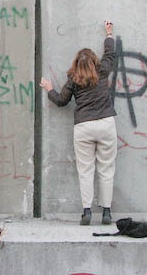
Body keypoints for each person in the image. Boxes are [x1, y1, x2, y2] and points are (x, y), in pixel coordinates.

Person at [40, 21, 117, 225]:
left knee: (86, 170)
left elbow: (61, 101)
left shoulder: (73, 78)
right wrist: (109, 34)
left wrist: (49, 88)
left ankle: (87, 212)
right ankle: (107, 212)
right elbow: (110, 55)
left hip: (84, 127)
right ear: (94, 62)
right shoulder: (102, 71)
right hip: (106, 124)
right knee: (106, 169)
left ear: (76, 64)